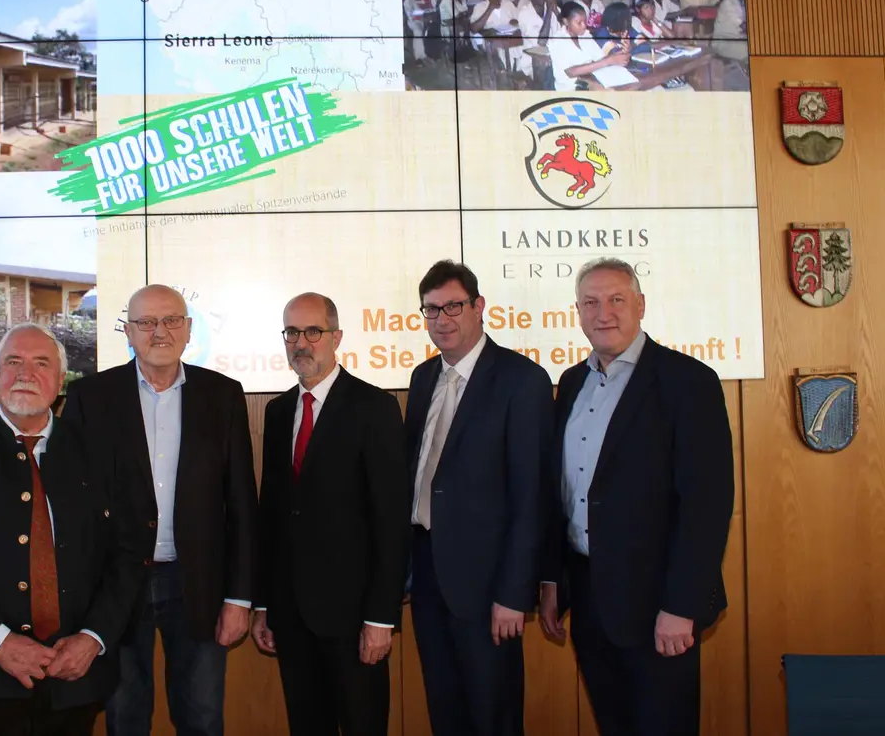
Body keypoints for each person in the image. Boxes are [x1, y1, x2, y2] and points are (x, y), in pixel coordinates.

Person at [0, 323, 152, 736]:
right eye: (13, 362)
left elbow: (128, 556)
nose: (25, 373)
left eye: (41, 363)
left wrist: (93, 637)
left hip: (75, 673)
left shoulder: (102, 453)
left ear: (60, 380)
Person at [538, 259, 735, 736]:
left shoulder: (688, 382)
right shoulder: (572, 383)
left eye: (616, 300)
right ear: (578, 313)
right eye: (590, 303)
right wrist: (552, 580)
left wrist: (681, 606)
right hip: (589, 599)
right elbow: (560, 493)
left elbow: (706, 505)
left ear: (641, 305)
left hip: (659, 608)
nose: (602, 313)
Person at [64, 285, 258, 736]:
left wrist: (239, 597)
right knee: (124, 715)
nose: (159, 332)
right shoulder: (90, 397)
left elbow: (242, 503)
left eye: (171, 320)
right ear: (128, 332)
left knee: (202, 717)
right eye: (146, 323)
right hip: (116, 583)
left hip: (199, 584)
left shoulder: (222, 395)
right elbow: (73, 504)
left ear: (188, 330)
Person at [251, 293, 410, 736]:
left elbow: (391, 521)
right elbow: (274, 517)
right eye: (292, 332)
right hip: (291, 615)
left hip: (354, 617)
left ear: (336, 337)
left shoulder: (373, 408)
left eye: (313, 332)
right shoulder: (279, 412)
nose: (301, 343)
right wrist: (265, 604)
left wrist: (381, 618)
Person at [406, 261, 554, 736]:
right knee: (444, 711)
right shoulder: (423, 377)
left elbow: (531, 497)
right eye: (431, 310)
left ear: (479, 307)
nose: (442, 319)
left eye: (453, 306)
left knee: (493, 716)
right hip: (428, 575)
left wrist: (514, 595)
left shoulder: (521, 380)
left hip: (489, 587)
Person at [551, 1, 630, 90]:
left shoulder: (585, 35)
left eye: (585, 21)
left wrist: (620, 55)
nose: (584, 26)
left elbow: (600, 58)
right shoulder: (558, 41)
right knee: (614, 92)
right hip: (572, 87)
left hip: (593, 78)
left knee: (632, 84)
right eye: (579, 23)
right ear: (566, 21)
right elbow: (571, 72)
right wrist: (608, 61)